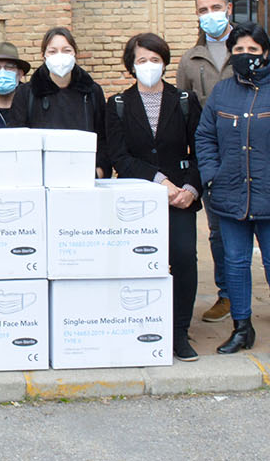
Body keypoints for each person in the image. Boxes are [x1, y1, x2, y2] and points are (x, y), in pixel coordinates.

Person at [195, 22, 270, 361]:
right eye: (239, 51)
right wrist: (212, 176)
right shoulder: (222, 92)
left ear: (265, 53)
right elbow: (205, 137)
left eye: (252, 50)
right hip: (229, 193)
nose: (245, 57)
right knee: (235, 263)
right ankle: (242, 328)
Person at [106, 32, 202, 361]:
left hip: (181, 198)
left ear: (165, 62)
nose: (149, 66)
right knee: (138, 263)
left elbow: (201, 150)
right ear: (131, 65)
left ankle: (179, 332)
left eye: (155, 59)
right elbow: (120, 157)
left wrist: (190, 189)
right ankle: (141, 325)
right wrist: (160, 181)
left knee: (184, 259)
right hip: (139, 197)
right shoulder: (118, 104)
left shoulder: (185, 101)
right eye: (142, 60)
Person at [176, 0, 236, 324]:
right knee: (217, 230)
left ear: (229, 8)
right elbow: (183, 110)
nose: (210, 14)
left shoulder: (248, 48)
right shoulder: (190, 59)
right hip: (212, 155)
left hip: (251, 152)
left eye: (215, 7)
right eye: (203, 10)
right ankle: (226, 295)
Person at [8, 27, 108, 174]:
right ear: (44, 56)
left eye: (66, 50)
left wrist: (98, 171)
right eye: (52, 51)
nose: (60, 56)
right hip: (39, 176)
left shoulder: (92, 92)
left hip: (84, 176)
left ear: (75, 54)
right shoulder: (26, 94)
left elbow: (103, 138)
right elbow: (17, 139)